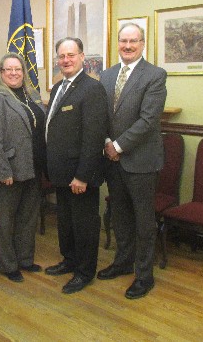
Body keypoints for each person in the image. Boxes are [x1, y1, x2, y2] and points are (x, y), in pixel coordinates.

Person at [98, 22, 167, 299]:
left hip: (141, 162)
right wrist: (106, 143)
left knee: (143, 221)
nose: (128, 46)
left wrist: (118, 145)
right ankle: (123, 262)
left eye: (133, 41)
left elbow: (149, 120)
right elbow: (100, 115)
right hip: (112, 161)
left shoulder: (155, 75)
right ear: (118, 43)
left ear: (142, 44)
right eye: (123, 41)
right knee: (120, 216)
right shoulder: (106, 75)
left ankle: (144, 276)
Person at [44, 37, 108, 294]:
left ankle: (84, 271)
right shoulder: (59, 86)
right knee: (66, 222)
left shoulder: (92, 89)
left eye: (71, 55)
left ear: (82, 57)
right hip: (60, 172)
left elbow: (93, 137)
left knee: (84, 225)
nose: (66, 60)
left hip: (80, 175)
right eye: (62, 56)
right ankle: (69, 260)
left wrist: (82, 176)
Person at [0, 53, 46, 282]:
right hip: (8, 169)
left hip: (32, 167)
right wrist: (3, 170)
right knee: (6, 221)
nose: (14, 73)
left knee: (28, 218)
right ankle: (7, 265)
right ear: (0, 73)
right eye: (8, 69)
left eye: (18, 69)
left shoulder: (31, 95)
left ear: (23, 72)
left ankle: (25, 259)